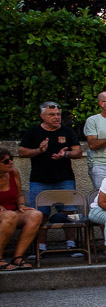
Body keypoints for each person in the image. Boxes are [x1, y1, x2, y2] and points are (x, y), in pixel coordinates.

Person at [18, 101, 84, 255]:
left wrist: (66, 154)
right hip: (39, 180)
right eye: (52, 114)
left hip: (65, 179)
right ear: (42, 116)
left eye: (58, 115)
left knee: (70, 213)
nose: (56, 117)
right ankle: (40, 247)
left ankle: (71, 245)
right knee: (40, 214)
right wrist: (38, 150)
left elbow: (78, 152)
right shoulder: (33, 132)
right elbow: (21, 152)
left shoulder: (68, 132)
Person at [0, 149, 44, 270]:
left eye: (11, 160)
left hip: (10, 211)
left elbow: (19, 194)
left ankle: (18, 257)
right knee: (10, 216)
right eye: (6, 161)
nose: (11, 163)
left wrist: (21, 205)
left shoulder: (13, 173)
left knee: (36, 215)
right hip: (5, 213)